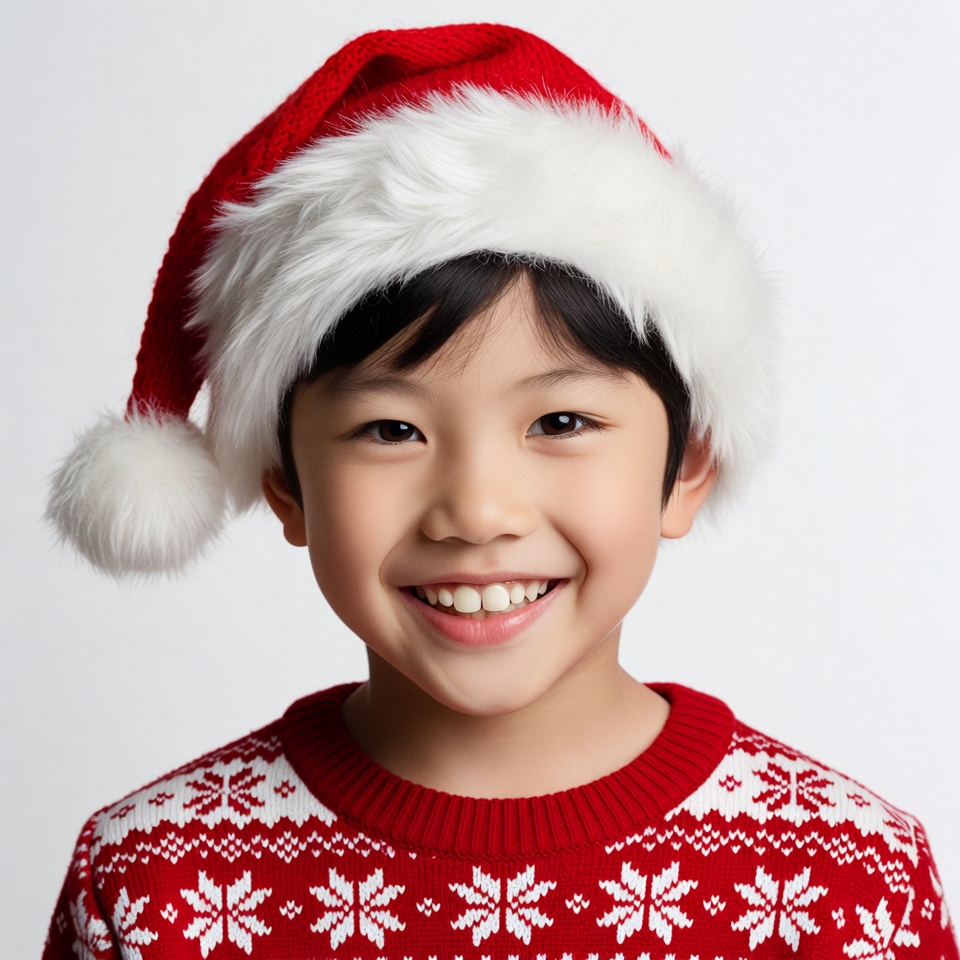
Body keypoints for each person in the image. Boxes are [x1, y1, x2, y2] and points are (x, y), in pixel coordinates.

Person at [42, 23, 957, 959]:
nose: (477, 513)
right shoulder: (160, 883)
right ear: (284, 485)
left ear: (687, 468)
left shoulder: (850, 884)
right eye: (391, 431)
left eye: (560, 424)